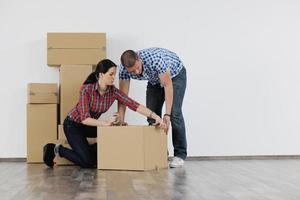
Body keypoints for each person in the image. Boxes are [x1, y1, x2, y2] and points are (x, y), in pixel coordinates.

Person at [43, 59, 166, 168]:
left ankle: (90, 150)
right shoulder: (86, 90)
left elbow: (134, 105)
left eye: (115, 75)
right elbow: (85, 119)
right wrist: (106, 123)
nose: (113, 78)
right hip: (73, 125)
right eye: (111, 74)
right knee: (87, 162)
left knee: (114, 139)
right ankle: (57, 149)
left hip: (91, 125)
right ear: (101, 74)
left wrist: (155, 116)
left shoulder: (113, 92)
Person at [118, 47, 187, 168]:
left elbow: (167, 85)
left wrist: (167, 114)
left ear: (139, 59)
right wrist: (121, 120)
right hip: (154, 80)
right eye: (132, 71)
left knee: (175, 114)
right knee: (152, 116)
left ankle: (180, 155)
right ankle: (160, 153)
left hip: (175, 76)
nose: (137, 72)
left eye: (137, 68)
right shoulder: (124, 70)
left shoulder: (156, 60)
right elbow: (123, 97)